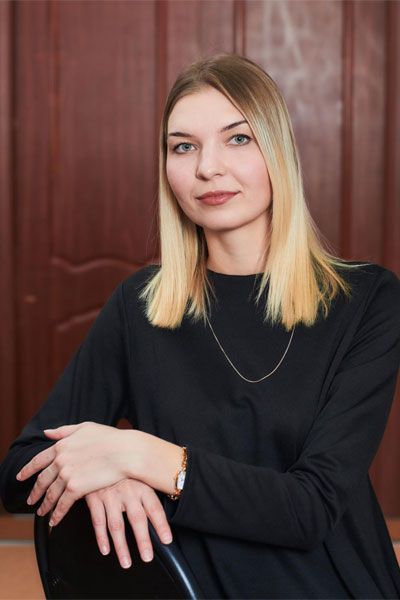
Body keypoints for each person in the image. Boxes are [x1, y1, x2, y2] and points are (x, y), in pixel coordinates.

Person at [1, 52, 400, 599]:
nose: (208, 167)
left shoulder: (367, 300)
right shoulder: (140, 305)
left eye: (238, 138)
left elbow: (310, 508)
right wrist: (106, 479)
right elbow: (18, 472)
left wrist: (141, 457)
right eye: (183, 146)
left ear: (278, 152)